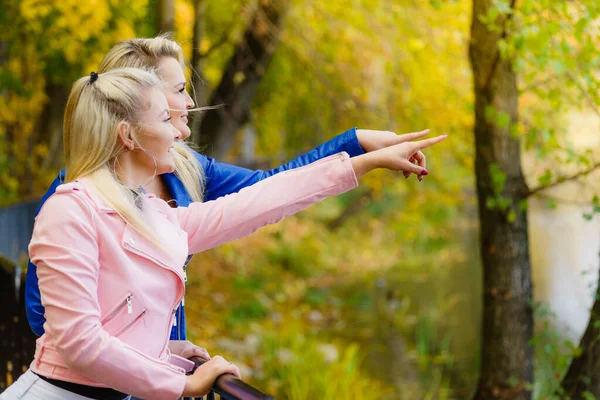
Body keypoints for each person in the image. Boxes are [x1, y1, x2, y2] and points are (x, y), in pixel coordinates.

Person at [1, 68, 445, 400]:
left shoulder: (151, 213)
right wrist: (182, 383)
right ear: (129, 135)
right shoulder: (70, 210)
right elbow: (78, 342)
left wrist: (361, 161)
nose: (180, 131)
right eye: (166, 119)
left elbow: (259, 202)